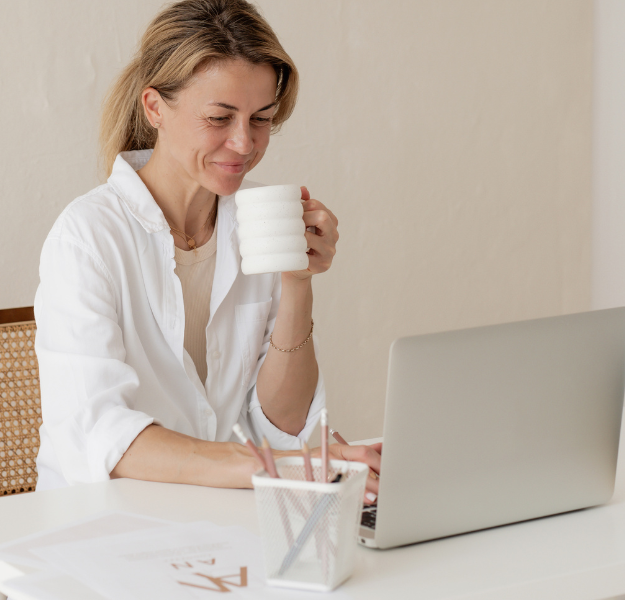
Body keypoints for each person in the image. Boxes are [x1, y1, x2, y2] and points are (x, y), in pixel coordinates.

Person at [33, 0, 381, 504]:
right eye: (220, 117)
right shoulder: (88, 238)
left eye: (261, 118)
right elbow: (101, 435)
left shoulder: (260, 220)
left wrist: (297, 281)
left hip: (225, 518)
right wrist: (285, 467)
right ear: (155, 108)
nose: (243, 143)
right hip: (103, 526)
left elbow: (284, 422)